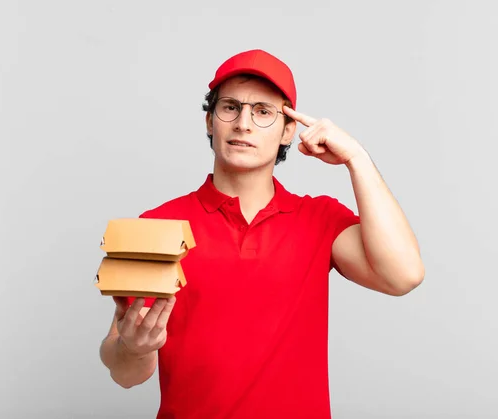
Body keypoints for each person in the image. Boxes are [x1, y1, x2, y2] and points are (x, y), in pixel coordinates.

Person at [99, 49, 424, 418]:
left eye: (263, 111)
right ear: (210, 121)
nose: (243, 123)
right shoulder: (156, 225)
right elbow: (126, 373)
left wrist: (356, 158)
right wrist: (135, 348)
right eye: (230, 107)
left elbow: (404, 276)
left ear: (288, 131)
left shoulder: (319, 219)